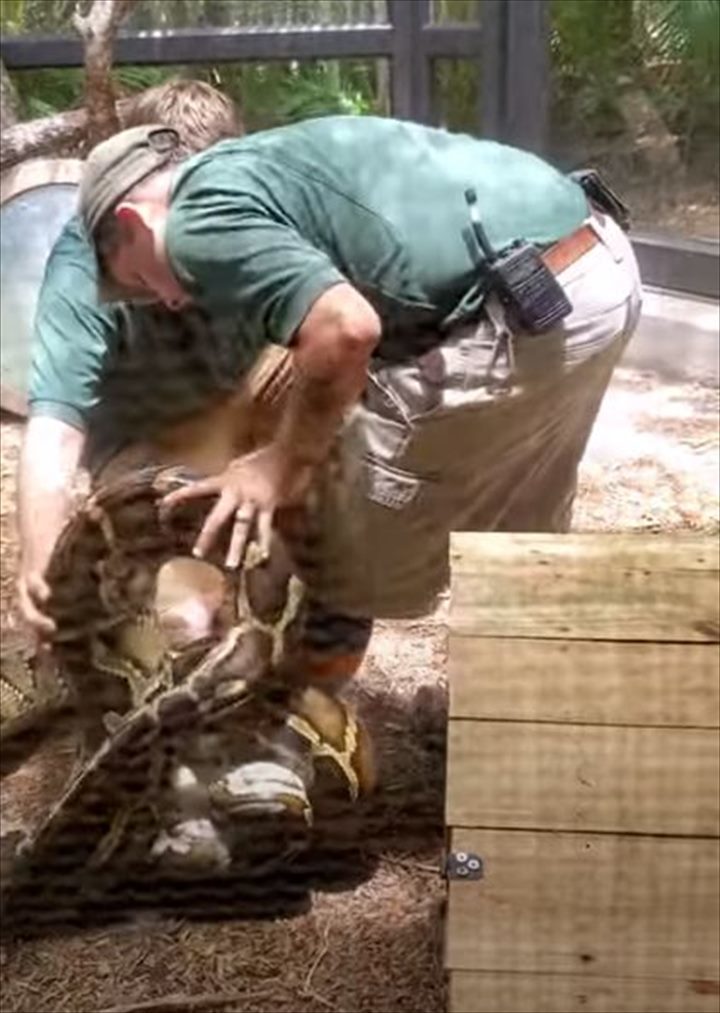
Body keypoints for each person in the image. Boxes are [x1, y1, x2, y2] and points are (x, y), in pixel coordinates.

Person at [75, 115, 642, 652]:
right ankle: (518, 722)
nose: (168, 298)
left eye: (141, 280)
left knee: (330, 541)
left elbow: (346, 330)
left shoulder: (195, 226)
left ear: (132, 221)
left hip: (527, 306)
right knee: (520, 525)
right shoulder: (244, 168)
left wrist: (281, 464)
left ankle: (279, 715)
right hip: (596, 264)